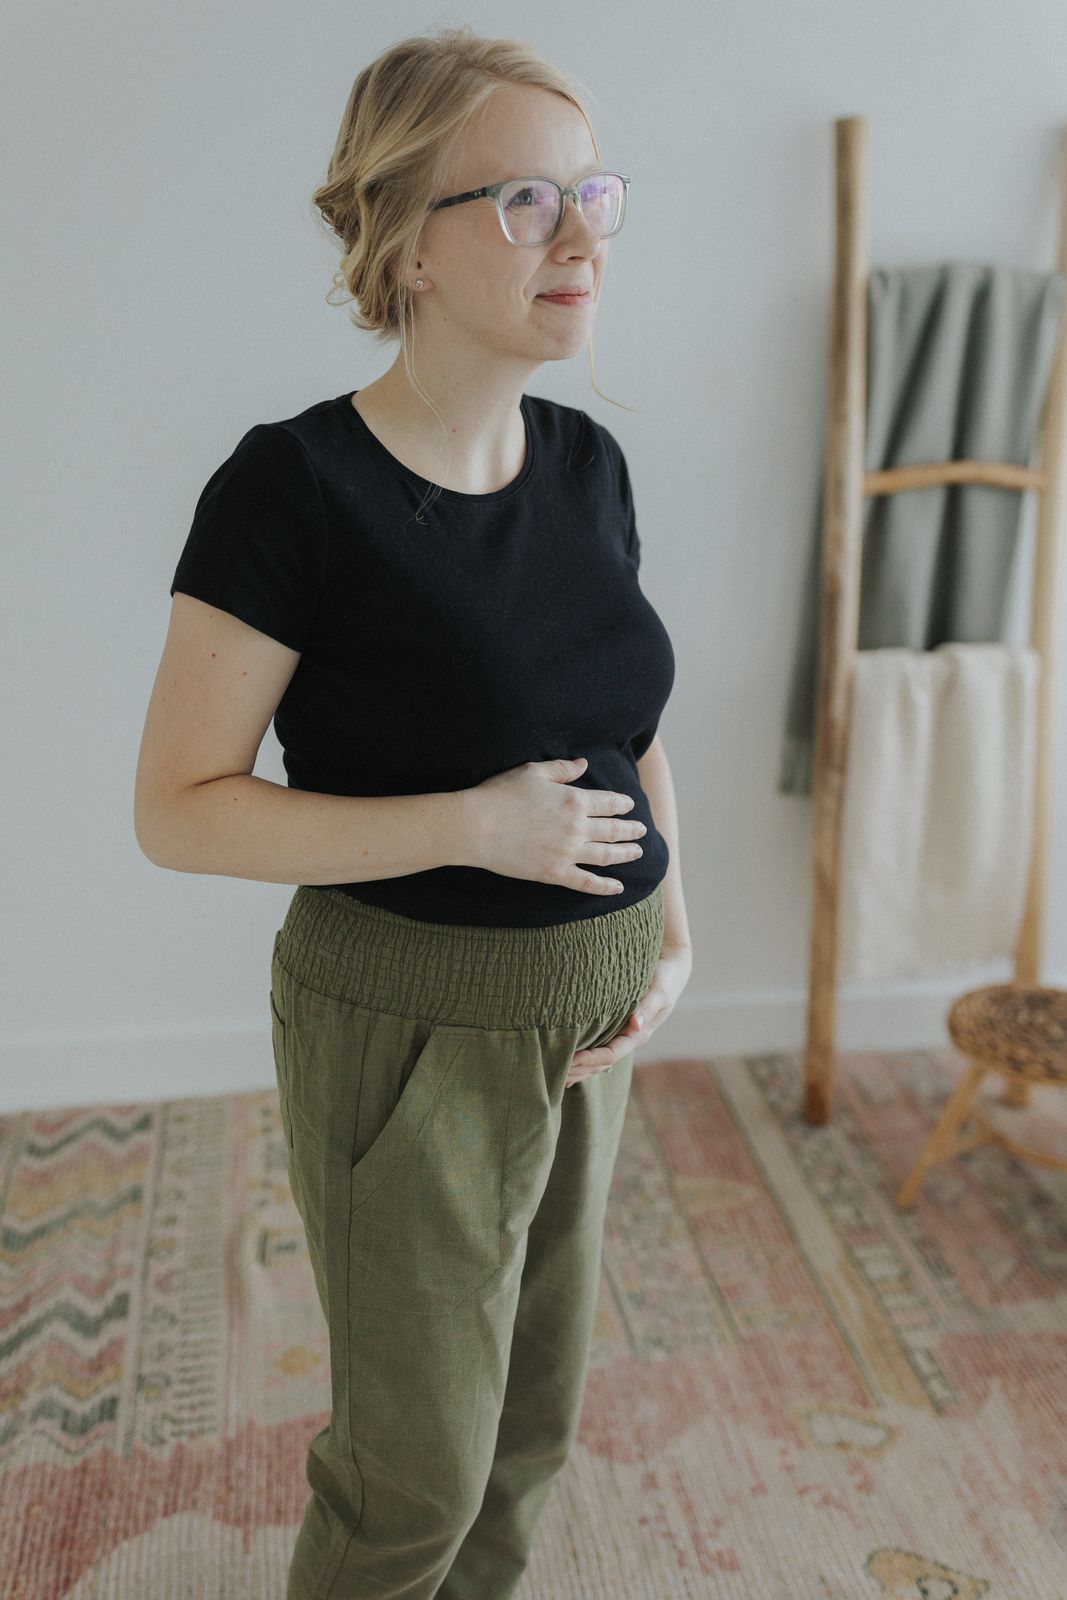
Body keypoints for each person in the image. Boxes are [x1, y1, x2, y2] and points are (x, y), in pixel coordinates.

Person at [134, 24, 691, 1600]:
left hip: (595, 1025)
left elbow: (637, 726)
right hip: (411, 1024)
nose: (581, 234)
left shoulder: (587, 464)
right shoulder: (291, 491)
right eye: (525, 199)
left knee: (526, 1437)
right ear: (407, 242)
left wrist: (678, 926)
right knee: (414, 1478)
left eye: (594, 193)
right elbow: (177, 810)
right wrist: (467, 824)